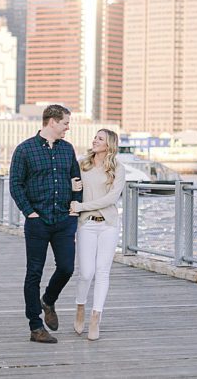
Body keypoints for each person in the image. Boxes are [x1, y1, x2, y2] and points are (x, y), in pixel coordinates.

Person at [9, 104, 82, 344]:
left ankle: (48, 300)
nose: (67, 128)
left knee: (67, 267)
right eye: (65, 123)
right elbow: (16, 185)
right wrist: (29, 212)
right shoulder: (25, 150)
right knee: (34, 273)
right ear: (52, 121)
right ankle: (35, 326)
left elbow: (76, 180)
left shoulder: (67, 149)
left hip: (63, 220)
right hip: (37, 222)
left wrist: (75, 206)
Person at [70, 128, 126, 341]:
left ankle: (95, 317)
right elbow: (74, 189)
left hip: (109, 224)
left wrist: (82, 205)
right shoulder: (83, 164)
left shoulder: (118, 169)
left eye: (100, 138)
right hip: (87, 224)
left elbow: (112, 198)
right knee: (86, 272)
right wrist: (72, 187)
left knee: (103, 272)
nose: (95, 140)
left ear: (109, 144)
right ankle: (80, 307)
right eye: (95, 137)